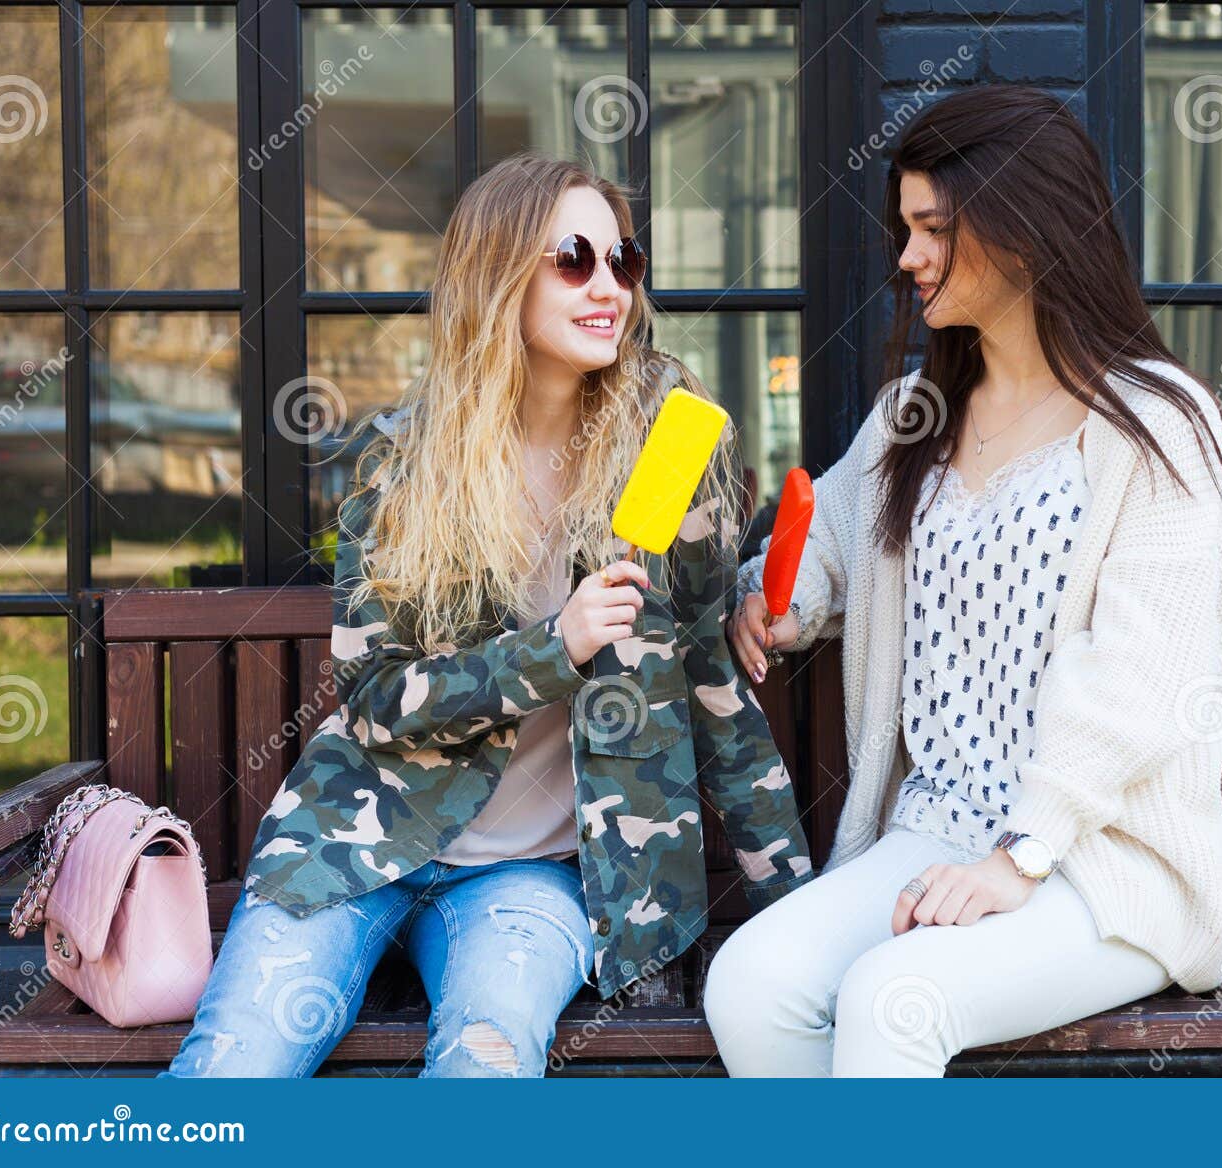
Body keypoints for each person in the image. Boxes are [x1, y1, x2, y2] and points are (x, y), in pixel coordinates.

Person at [161, 152, 813, 1079]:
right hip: (357, 838)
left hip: (530, 880)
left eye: (622, 260)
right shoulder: (405, 464)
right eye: (573, 259)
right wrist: (556, 647)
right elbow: (376, 698)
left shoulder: (666, 446)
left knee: (485, 1067)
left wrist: (798, 913)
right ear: (498, 278)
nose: (608, 287)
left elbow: (712, 683)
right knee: (232, 1065)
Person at [703, 84, 1222, 1076]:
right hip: (935, 831)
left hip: (1100, 861)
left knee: (892, 997)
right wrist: (779, 601)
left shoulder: (1154, 422)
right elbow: (825, 535)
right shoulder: (916, 416)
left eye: (934, 228)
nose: (906, 257)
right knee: (748, 987)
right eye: (904, 228)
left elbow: (1143, 677)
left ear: (1025, 229)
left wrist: (1020, 859)